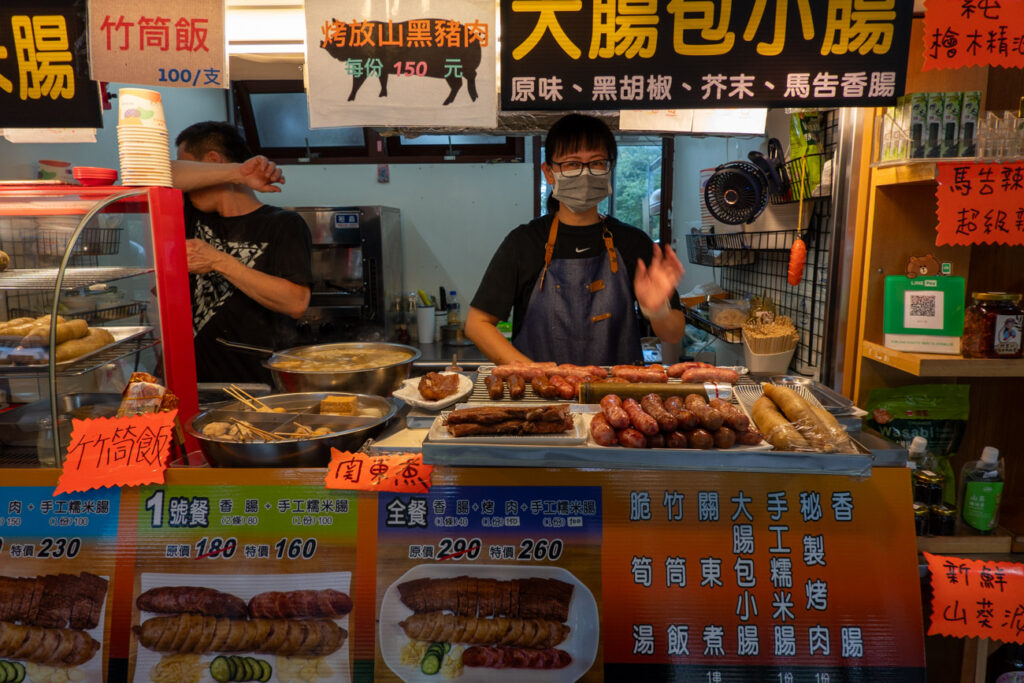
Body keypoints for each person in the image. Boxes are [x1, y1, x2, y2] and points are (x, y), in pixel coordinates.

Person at [465, 113, 685, 366]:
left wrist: (657, 310)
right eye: (571, 163)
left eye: (596, 163)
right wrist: (533, 372)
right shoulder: (524, 242)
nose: (585, 173)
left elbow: (673, 333)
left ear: (608, 169)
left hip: (617, 400)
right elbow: (477, 324)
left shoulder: (632, 242)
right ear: (549, 172)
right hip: (540, 398)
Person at [171, 121, 312, 383]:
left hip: (260, 387)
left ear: (213, 159)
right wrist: (237, 172)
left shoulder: (282, 224)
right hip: (196, 386)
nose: (187, 185)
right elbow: (162, 173)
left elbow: (296, 302)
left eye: (190, 161)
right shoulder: (189, 214)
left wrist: (219, 261)